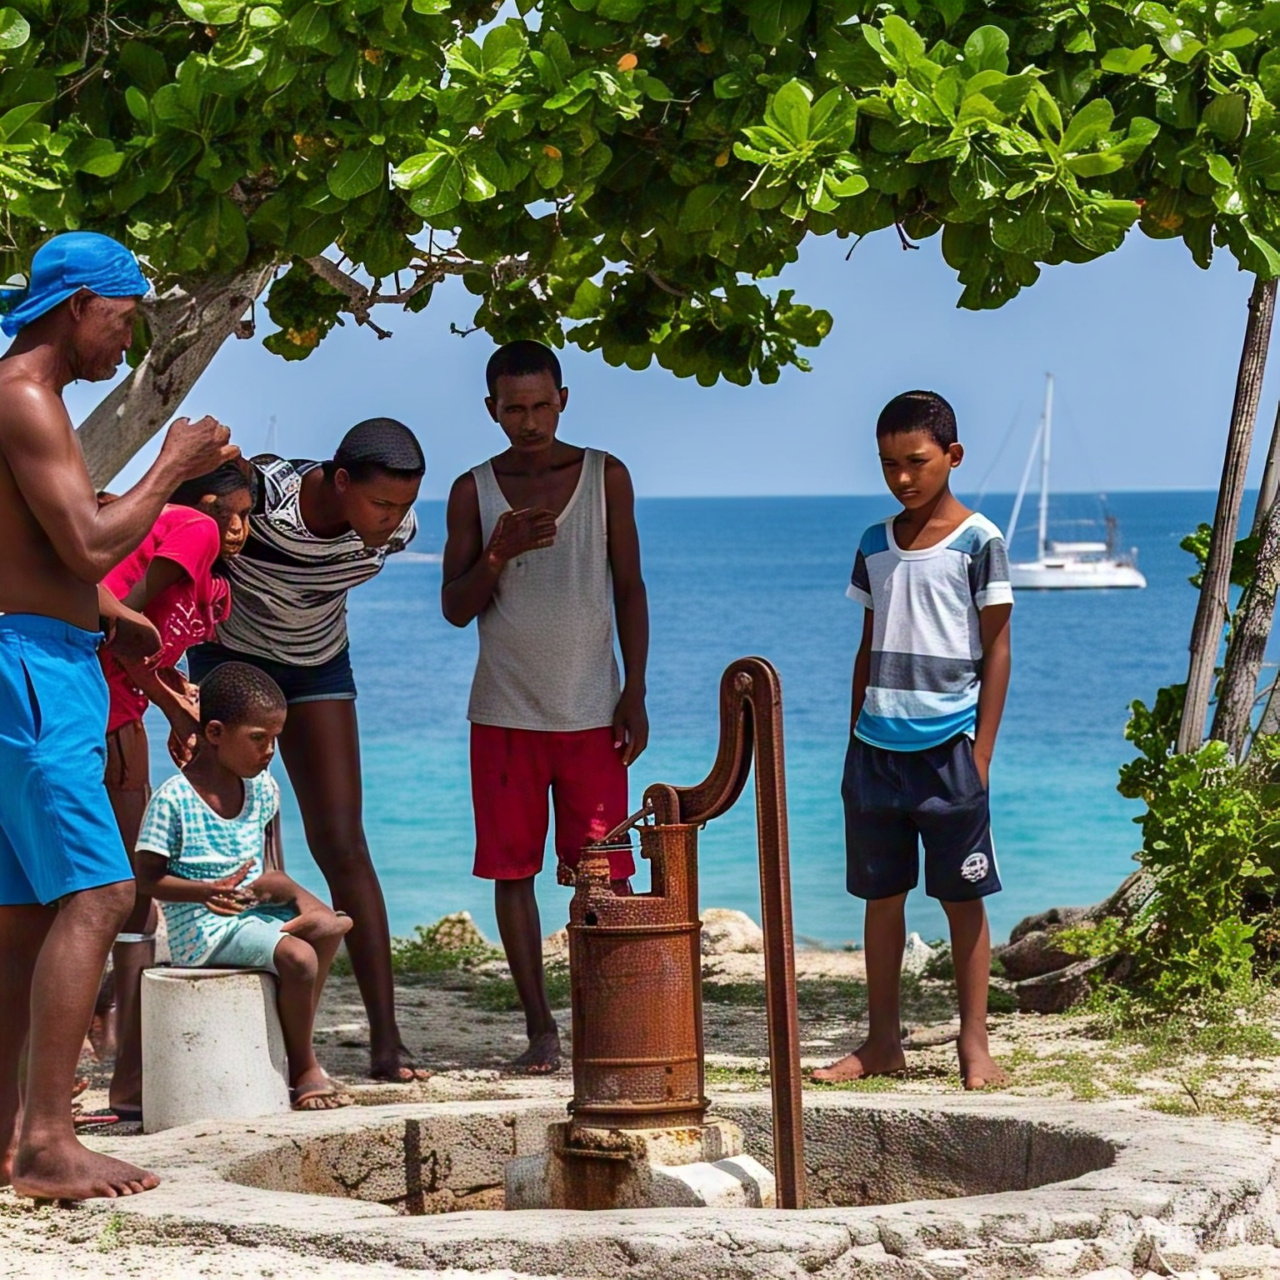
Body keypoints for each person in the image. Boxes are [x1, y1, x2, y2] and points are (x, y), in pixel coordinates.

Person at [0, 230, 236, 1200]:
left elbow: (32, 546)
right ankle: (49, 1144)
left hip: (38, 654)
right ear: (77, 305)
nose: (129, 340)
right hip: (31, 671)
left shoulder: (26, 399)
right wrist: (174, 462)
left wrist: (106, 613)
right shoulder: (24, 396)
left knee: (25, 915)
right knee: (101, 894)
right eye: (124, 318)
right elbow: (91, 540)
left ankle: (10, 1137)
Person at [185, 419, 428, 1083]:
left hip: (318, 665)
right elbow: (196, 506)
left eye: (404, 505)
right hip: (231, 660)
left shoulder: (397, 530)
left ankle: (387, 1039)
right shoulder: (265, 495)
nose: (394, 521)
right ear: (340, 480)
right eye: (381, 504)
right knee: (232, 846)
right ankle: (240, 1038)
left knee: (344, 844)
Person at [441, 340, 649, 1074]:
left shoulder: (604, 476)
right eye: (513, 409)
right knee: (513, 873)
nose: (528, 422)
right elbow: (455, 607)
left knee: (606, 877)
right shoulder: (472, 491)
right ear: (491, 410)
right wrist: (496, 553)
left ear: (563, 400)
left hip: (593, 712)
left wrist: (635, 690)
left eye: (540, 405)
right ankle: (540, 1027)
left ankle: (610, 1019)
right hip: (504, 714)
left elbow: (629, 587)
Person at [814, 391, 1013, 1091]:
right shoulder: (874, 544)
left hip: (949, 751)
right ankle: (881, 1042)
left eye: (917, 461)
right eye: (888, 464)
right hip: (875, 752)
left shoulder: (979, 541)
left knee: (963, 898)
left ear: (953, 456)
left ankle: (975, 1042)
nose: (902, 477)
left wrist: (980, 755)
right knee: (882, 898)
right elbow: (868, 646)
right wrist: (853, 739)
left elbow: (997, 651)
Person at [95, 460, 258, 1123]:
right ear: (201, 504)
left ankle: (120, 1047)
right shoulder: (191, 528)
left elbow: (160, 649)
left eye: (248, 516)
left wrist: (174, 697)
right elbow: (123, 627)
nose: (238, 528)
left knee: (127, 889)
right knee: (121, 886)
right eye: (230, 512)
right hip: (99, 707)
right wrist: (171, 708)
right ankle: (117, 1053)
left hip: (123, 710)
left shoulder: (216, 586)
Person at [135, 662, 352, 1111]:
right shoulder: (175, 798)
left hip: (250, 912)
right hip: (203, 929)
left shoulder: (262, 789)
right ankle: (303, 1065)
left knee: (331, 927)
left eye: (275, 739)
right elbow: (146, 878)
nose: (269, 751)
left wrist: (276, 895)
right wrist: (204, 891)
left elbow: (271, 862)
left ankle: (294, 1035)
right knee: (299, 957)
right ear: (215, 732)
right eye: (258, 738)